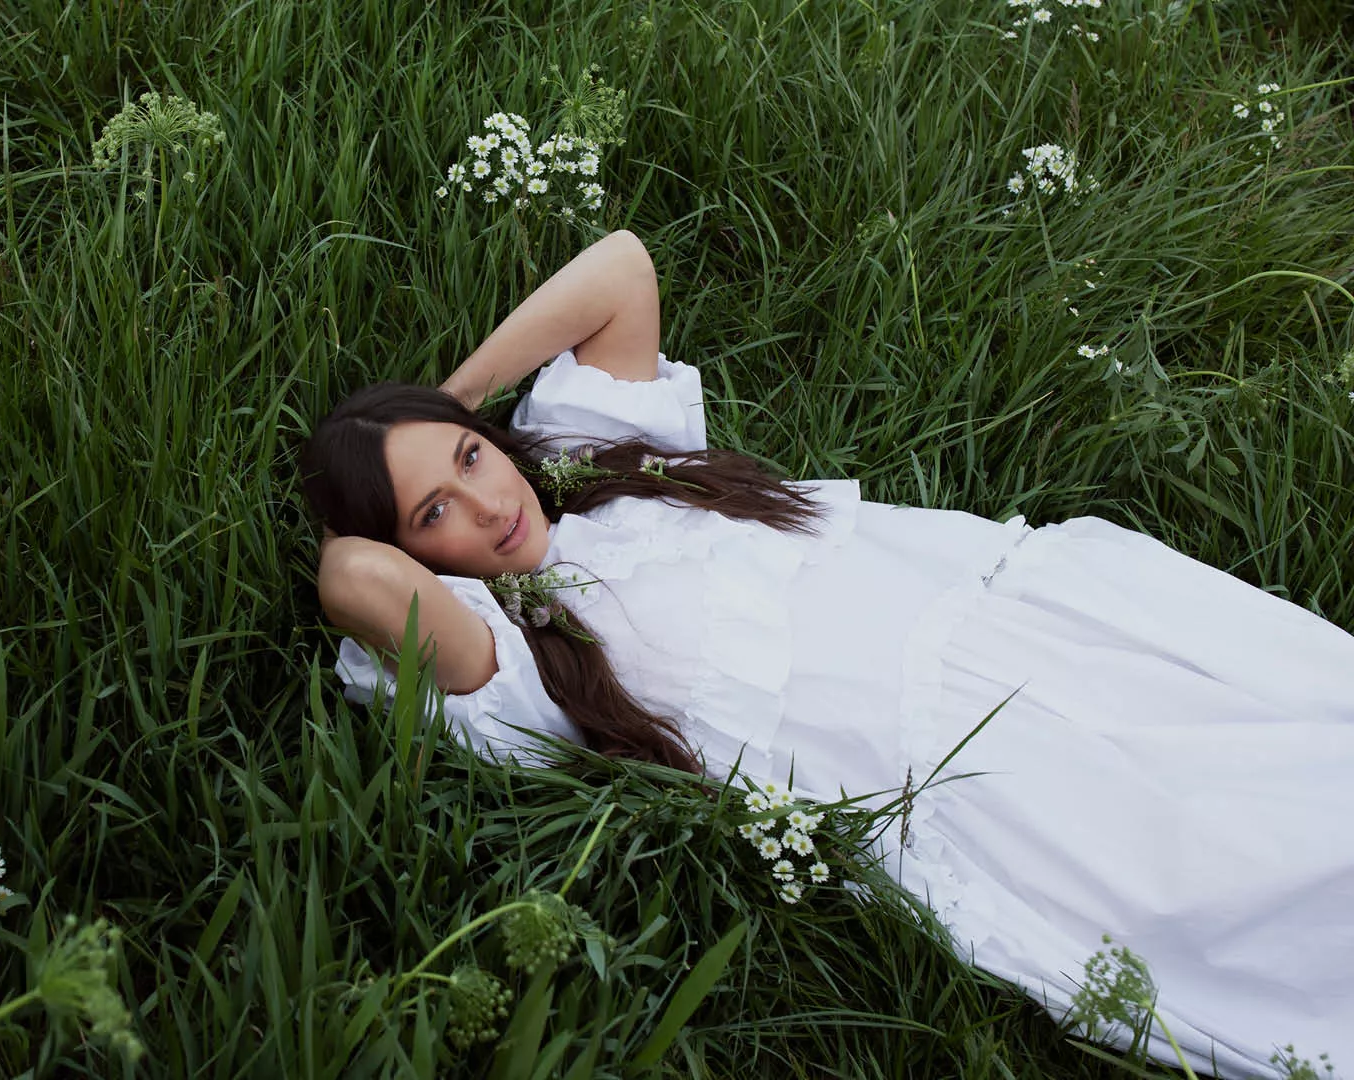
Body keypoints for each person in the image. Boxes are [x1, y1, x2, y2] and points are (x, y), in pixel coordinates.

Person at [299, 230, 1354, 1079]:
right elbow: (355, 580)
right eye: (437, 509)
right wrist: (385, 512)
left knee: (1286, 707)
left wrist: (453, 404)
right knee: (1221, 853)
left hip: (989, 615)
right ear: (415, 552)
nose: (487, 503)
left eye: (475, 461)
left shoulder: (580, 457)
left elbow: (619, 265)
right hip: (945, 764)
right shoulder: (512, 659)